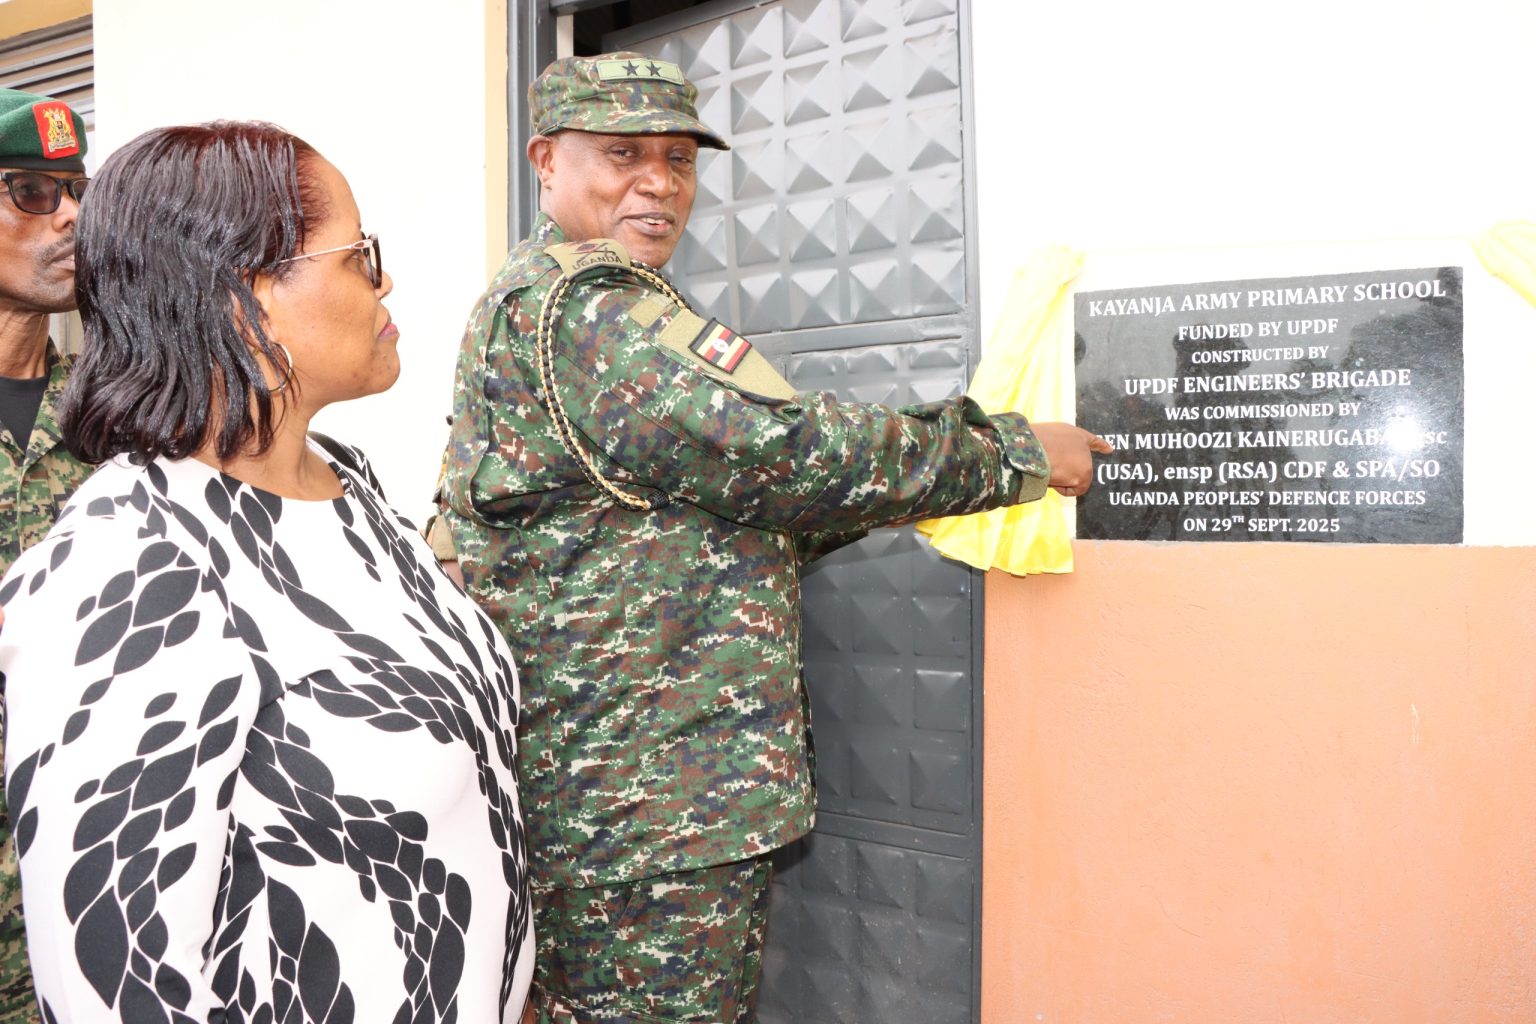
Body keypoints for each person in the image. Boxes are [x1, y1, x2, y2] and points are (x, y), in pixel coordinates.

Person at [437, 52, 1111, 1023]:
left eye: (677, 158)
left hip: (614, 795)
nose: (659, 182)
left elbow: (739, 508)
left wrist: (919, 475)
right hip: (646, 809)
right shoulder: (590, 309)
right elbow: (781, 456)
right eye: (622, 153)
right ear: (547, 160)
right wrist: (1008, 454)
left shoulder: (545, 302)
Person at [0, 121, 532, 1022]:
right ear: (248, 298)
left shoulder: (350, 492)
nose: (385, 279)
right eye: (361, 255)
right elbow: (119, 991)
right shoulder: (132, 566)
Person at [0, 86, 93, 1023]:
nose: (68, 215)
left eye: (74, 190)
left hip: (87, 875)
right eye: (30, 191)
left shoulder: (115, 419)